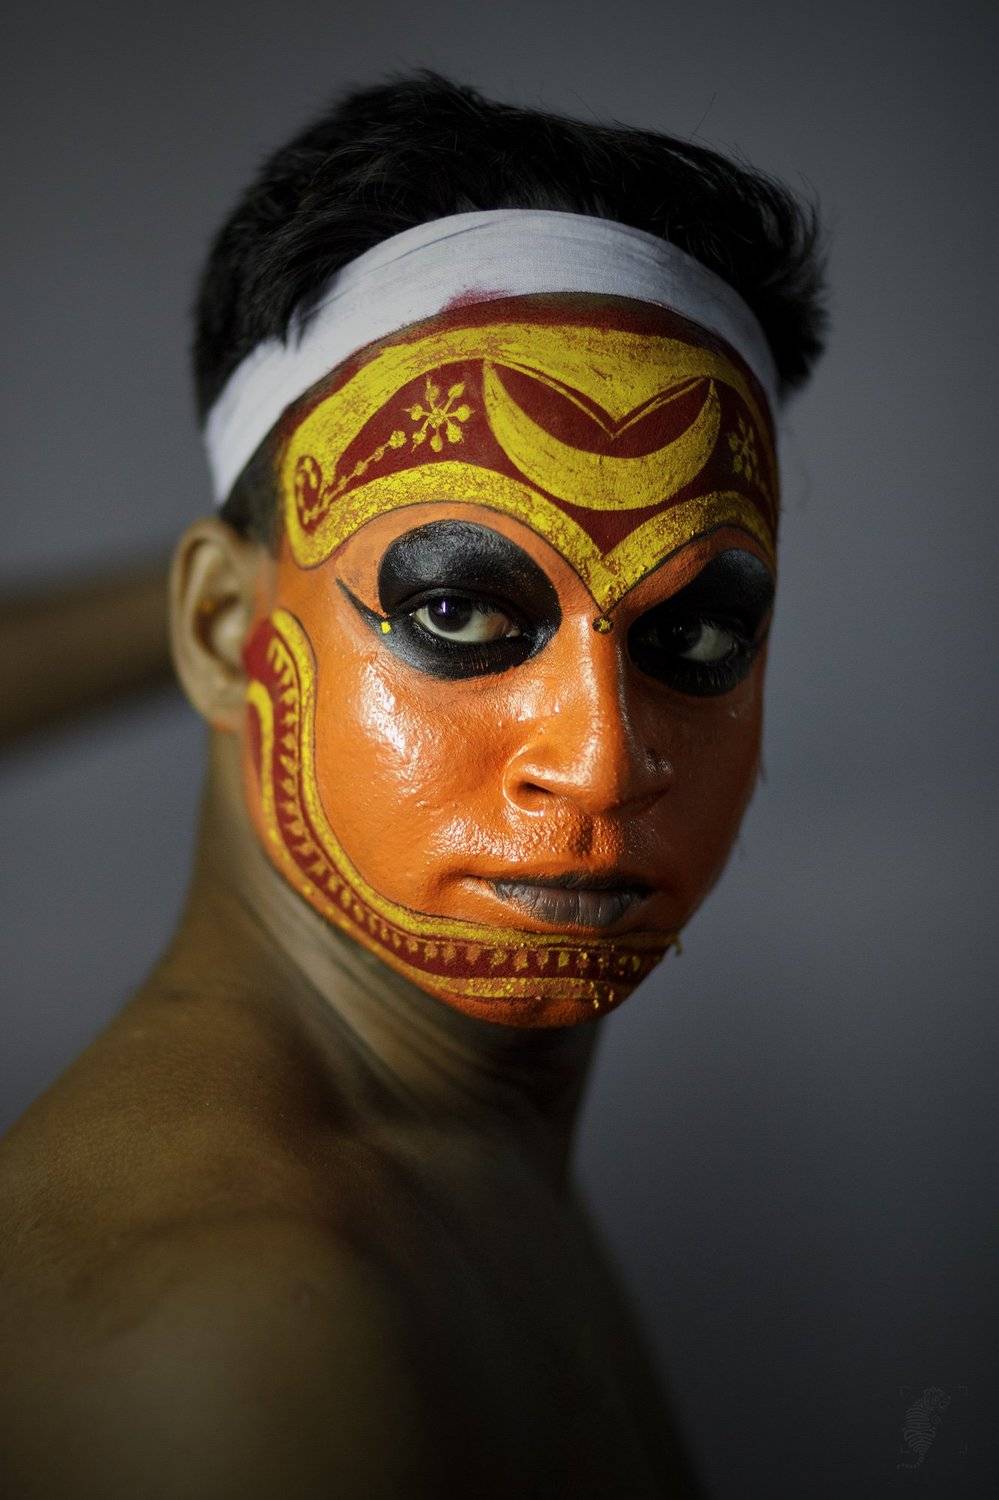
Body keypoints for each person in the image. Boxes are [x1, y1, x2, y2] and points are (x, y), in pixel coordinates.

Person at [0, 72, 825, 1497]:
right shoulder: (230, 1337)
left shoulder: (438, 1162)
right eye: (457, 612)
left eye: (693, 633)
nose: (602, 760)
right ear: (215, 631)